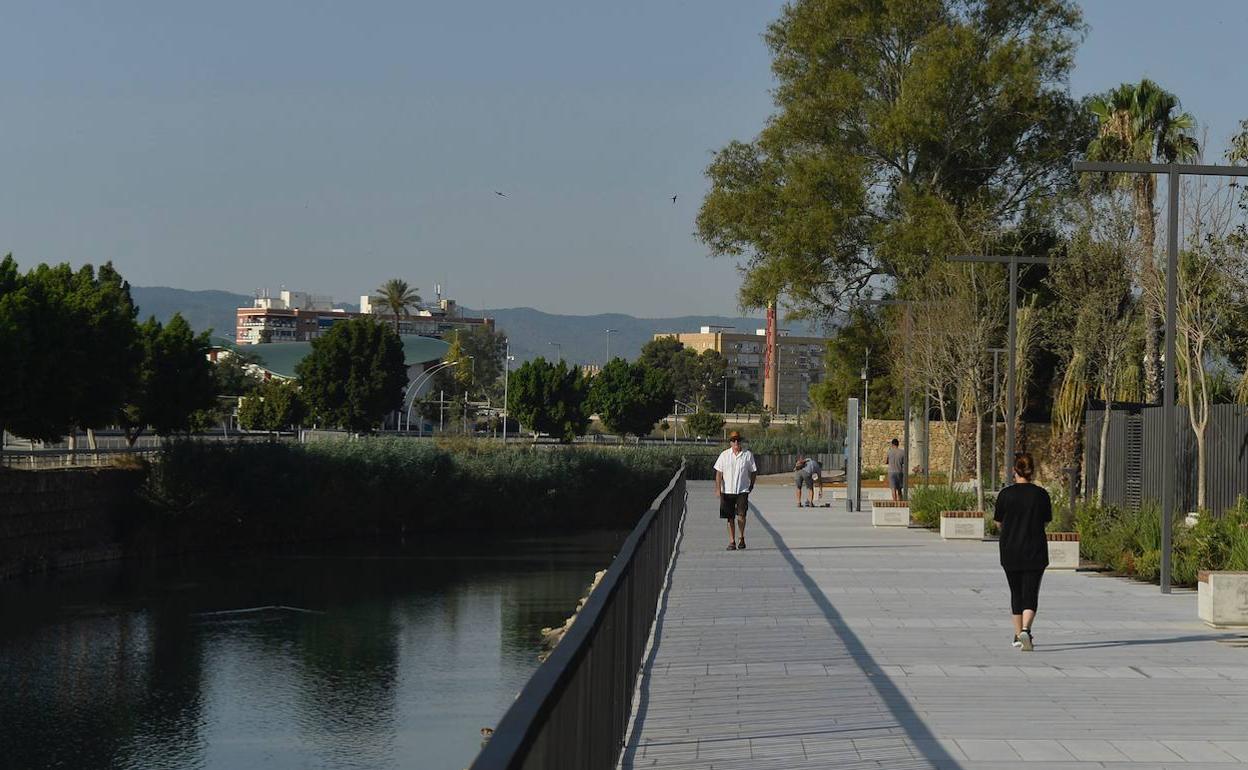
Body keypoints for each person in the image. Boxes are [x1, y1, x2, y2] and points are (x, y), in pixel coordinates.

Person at [993, 452, 1051, 651]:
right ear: (1032, 471)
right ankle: (1026, 629)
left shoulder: (1005, 494)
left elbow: (998, 522)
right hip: (1035, 550)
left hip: (1010, 550)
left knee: (1015, 592)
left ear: (1013, 471)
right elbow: (1046, 520)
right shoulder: (1041, 495)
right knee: (1031, 592)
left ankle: (1018, 635)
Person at [714, 430, 757, 550]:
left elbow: (753, 471)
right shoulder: (724, 455)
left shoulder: (747, 455)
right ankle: (732, 541)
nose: (736, 442)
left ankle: (741, 537)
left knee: (741, 515)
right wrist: (718, 488)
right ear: (730, 443)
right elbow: (719, 473)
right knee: (730, 517)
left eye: (738, 440)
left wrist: (751, 485)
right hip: (727, 491)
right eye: (733, 440)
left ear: (740, 441)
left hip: (742, 490)